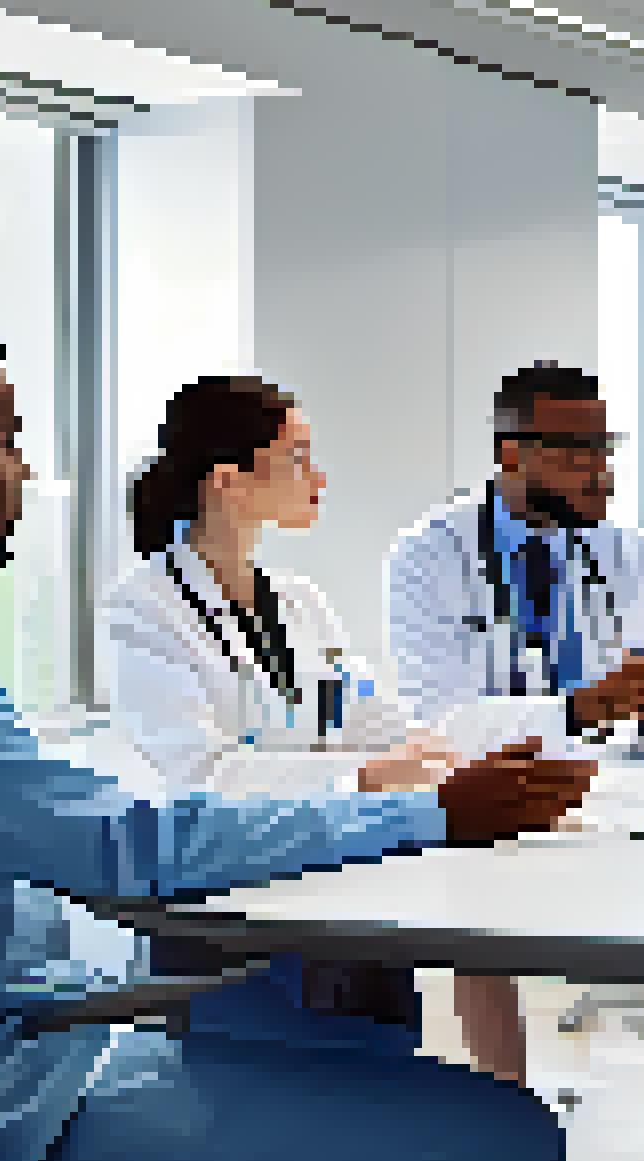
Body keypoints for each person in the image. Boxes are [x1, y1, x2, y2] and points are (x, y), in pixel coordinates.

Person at [0, 313, 595, 1161]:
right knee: (505, 1137)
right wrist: (432, 812)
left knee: (346, 1044)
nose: (24, 474)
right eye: (6, 444)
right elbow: (128, 845)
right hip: (3, 1101)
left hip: (5, 1048)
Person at [383, 364, 644, 1109]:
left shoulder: (633, 555)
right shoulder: (428, 557)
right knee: (480, 926)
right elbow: (441, 717)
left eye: (605, 450)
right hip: (499, 791)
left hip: (618, 792)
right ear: (511, 453)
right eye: (576, 453)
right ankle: (502, 1117)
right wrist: (582, 708)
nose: (599, 471)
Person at [103, 375, 462, 1059]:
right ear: (228, 480)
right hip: (229, 901)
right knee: (279, 1097)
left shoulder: (300, 604)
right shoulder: (144, 608)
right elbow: (202, 775)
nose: (318, 475)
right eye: (297, 455)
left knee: (381, 1080)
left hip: (335, 877)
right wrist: (370, 774)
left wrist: (458, 755)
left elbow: (376, 724)